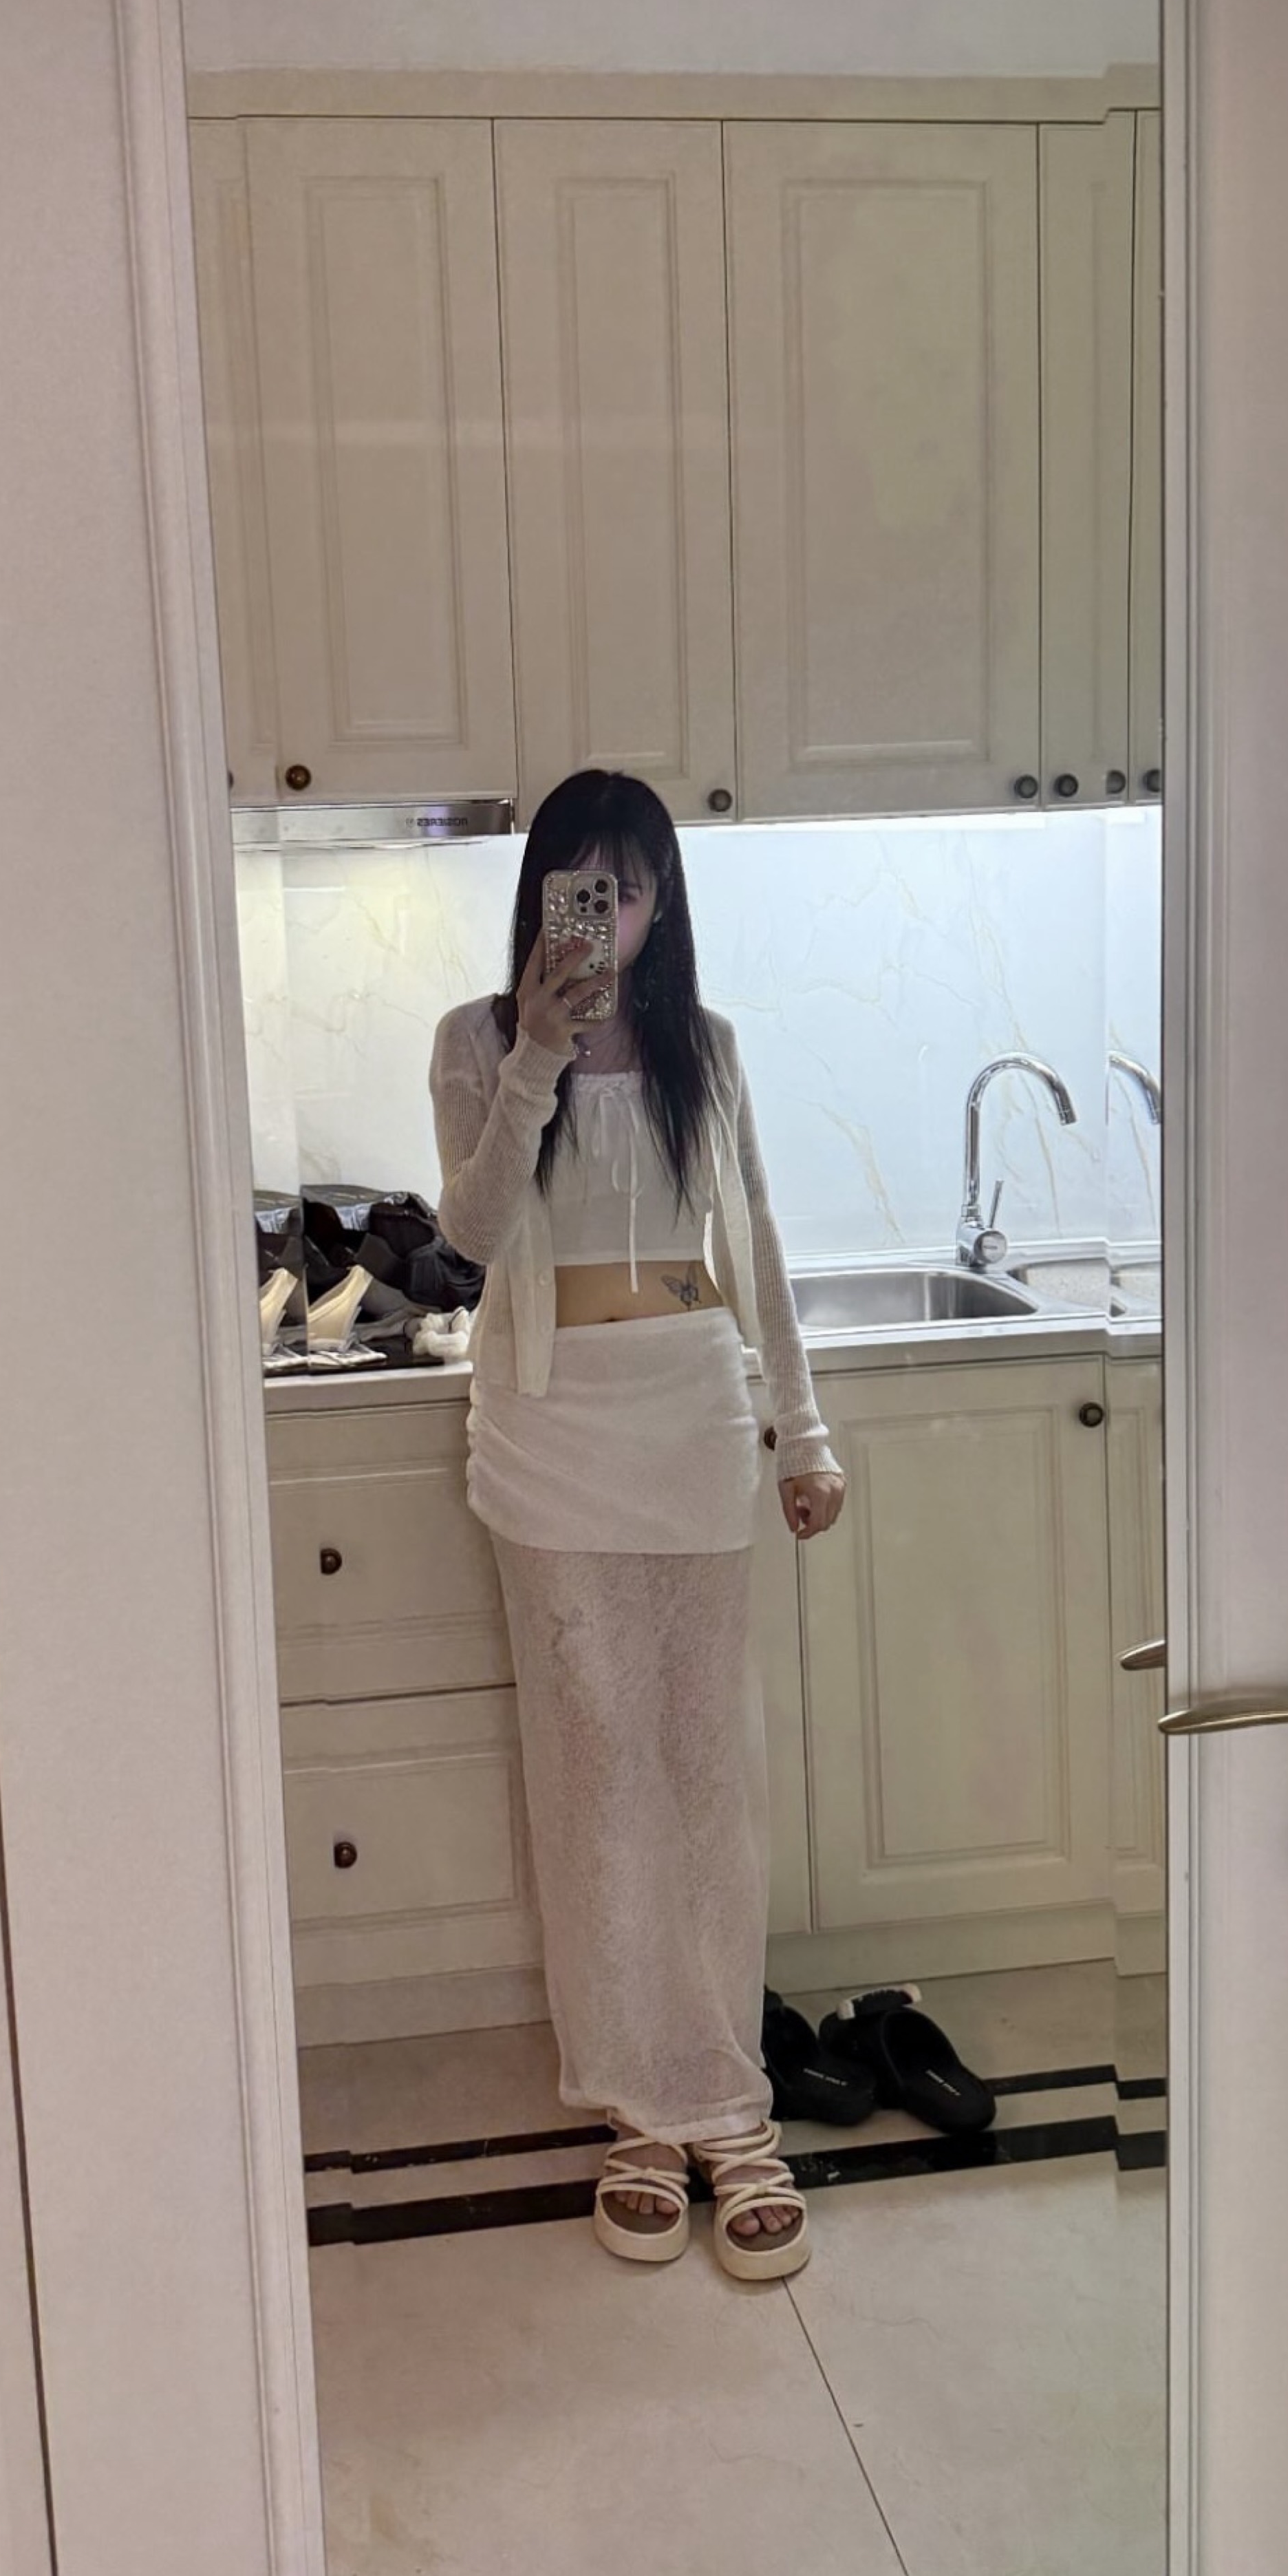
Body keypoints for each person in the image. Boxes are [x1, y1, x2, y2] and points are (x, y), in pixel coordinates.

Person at [429, 771, 846, 2280]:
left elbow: (755, 1244)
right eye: (579, 882)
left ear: (662, 902)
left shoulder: (704, 1051)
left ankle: (727, 2102)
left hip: (690, 1431)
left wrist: (802, 1428)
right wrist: (536, 1057)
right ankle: (637, 2115)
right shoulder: (474, 1041)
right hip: (549, 1446)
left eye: (629, 883)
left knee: (703, 1772)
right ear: (542, 893)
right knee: (594, 1777)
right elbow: (472, 1237)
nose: (602, 912)